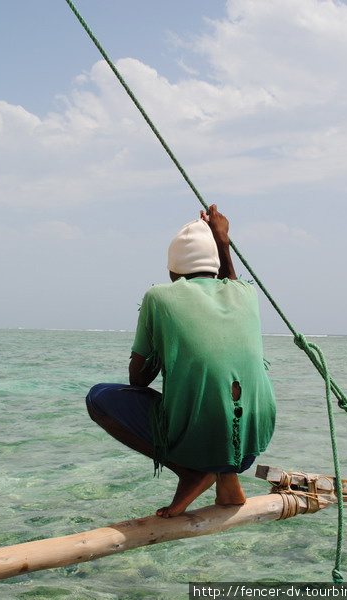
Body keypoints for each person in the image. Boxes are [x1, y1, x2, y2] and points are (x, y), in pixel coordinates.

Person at [86, 205, 276, 518]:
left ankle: (193, 473)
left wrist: (165, 345)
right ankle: (226, 476)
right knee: (221, 394)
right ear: (216, 266)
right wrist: (222, 240)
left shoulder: (159, 297)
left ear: (172, 271)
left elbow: (139, 380)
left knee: (99, 398)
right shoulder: (245, 292)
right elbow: (228, 278)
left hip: (201, 439)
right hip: (252, 442)